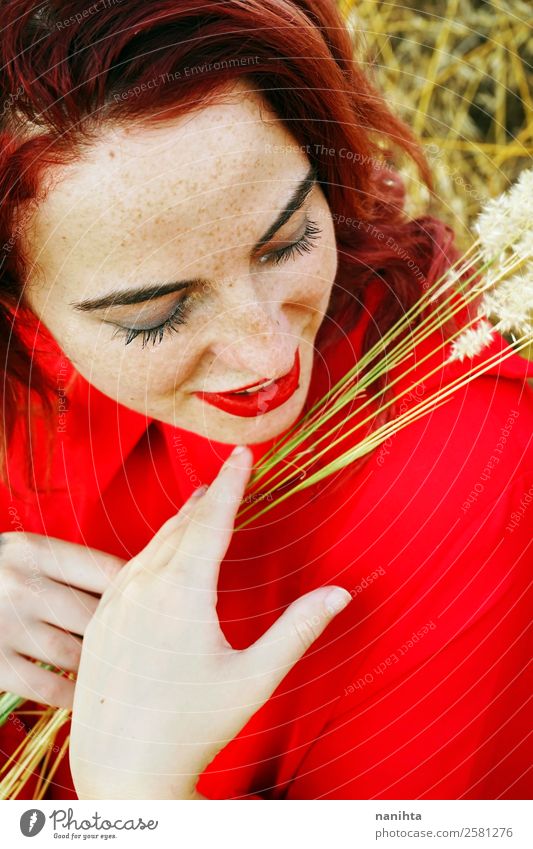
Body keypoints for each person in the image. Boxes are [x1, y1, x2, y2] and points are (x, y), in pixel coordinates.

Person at [0, 0, 531, 800]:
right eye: (154, 314)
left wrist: (135, 802)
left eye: (287, 240)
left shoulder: (464, 478)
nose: (266, 354)